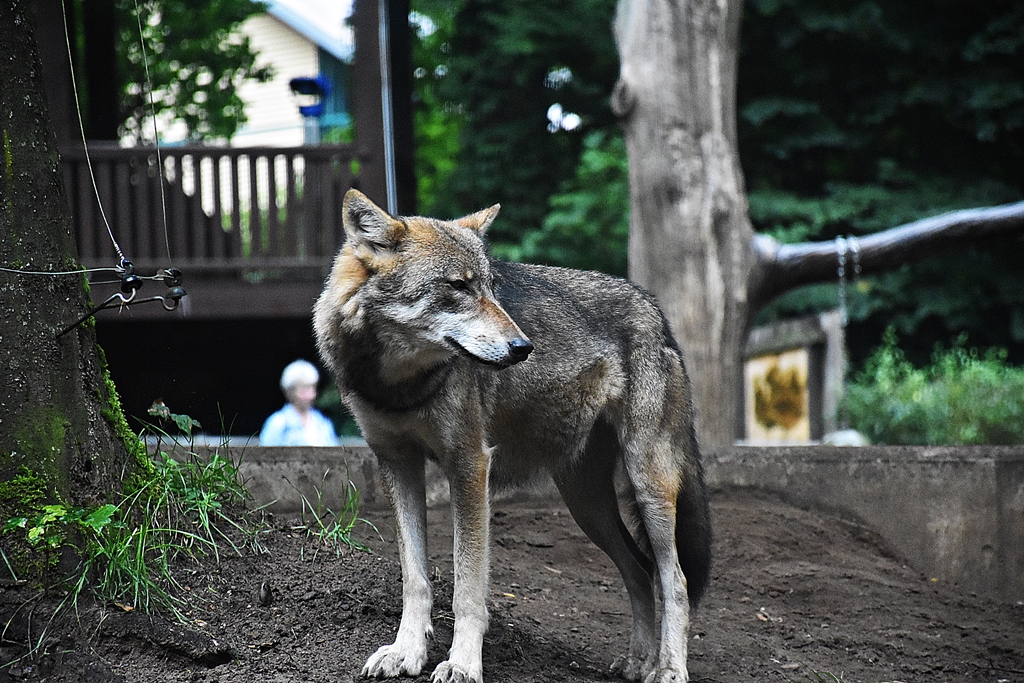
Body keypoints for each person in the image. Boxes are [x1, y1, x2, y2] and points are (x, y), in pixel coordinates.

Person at [259, 359, 339, 446]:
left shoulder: (323, 423)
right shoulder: (278, 423)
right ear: (289, 392)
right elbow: (265, 455)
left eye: (312, 388)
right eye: (303, 389)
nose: (310, 395)